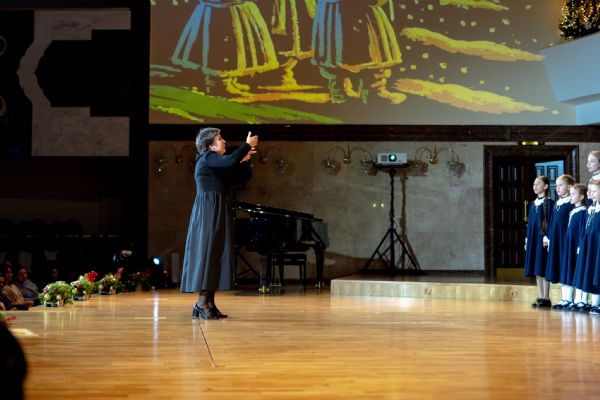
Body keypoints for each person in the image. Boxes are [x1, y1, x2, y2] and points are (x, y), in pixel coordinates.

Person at [180, 128, 258, 319]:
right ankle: (201, 303)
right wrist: (246, 145)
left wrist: (243, 160)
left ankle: (209, 303)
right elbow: (229, 161)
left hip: (217, 208)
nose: (224, 141)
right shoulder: (207, 157)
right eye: (219, 139)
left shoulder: (214, 162)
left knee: (216, 253)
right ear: (210, 146)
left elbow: (236, 176)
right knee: (210, 252)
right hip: (209, 210)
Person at [553, 183, 588, 310]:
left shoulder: (583, 212)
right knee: (567, 269)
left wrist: (580, 245)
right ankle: (566, 299)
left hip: (575, 246)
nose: (571, 196)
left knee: (574, 270)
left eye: (573, 194)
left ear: (582, 197)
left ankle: (578, 300)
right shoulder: (573, 210)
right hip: (569, 244)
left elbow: (582, 231)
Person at [524, 176, 555, 308]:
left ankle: (546, 297)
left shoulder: (549, 203)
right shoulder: (532, 204)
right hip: (533, 239)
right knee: (537, 268)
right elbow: (529, 224)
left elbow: (550, 221)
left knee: (543, 267)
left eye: (538, 184)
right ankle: (541, 296)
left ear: (546, 186)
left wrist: (547, 237)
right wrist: (527, 239)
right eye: (534, 184)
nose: (535, 186)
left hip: (542, 239)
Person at [571, 180, 600, 312]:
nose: (591, 194)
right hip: (590, 245)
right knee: (591, 271)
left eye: (594, 191)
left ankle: (597, 303)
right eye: (590, 191)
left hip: (598, 245)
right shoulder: (592, 208)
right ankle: (594, 303)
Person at [544, 175, 575, 288]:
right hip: (556, 240)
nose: (557, 188)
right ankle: (564, 295)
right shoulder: (557, 203)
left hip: (564, 239)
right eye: (556, 185)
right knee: (558, 267)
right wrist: (549, 239)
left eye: (560, 185)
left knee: (566, 266)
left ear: (569, 187)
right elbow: (551, 222)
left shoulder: (571, 203)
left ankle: (569, 295)